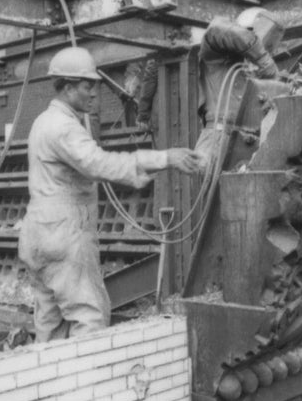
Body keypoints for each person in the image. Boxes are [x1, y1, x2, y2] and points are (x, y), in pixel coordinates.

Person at [17, 46, 204, 342]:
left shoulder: (42, 121)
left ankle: (53, 386)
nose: (94, 93)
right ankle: (90, 385)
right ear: (67, 87)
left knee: (50, 325)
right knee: (88, 317)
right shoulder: (64, 127)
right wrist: (165, 158)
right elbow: (98, 164)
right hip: (63, 233)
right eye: (87, 85)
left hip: (38, 234)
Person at [136, 7, 284, 165]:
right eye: (263, 47)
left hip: (246, 139)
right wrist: (264, 60)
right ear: (247, 30)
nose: (264, 51)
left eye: (268, 50)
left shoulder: (247, 70)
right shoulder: (215, 54)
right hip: (218, 137)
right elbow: (219, 28)